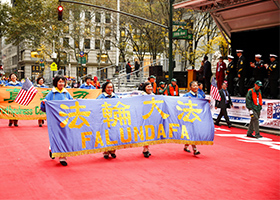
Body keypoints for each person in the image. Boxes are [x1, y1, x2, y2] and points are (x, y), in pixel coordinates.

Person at [40, 75, 73, 166]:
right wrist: (43, 103)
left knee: (65, 137)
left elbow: (72, 105)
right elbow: (43, 108)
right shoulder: (51, 94)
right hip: (54, 120)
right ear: (56, 83)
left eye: (63, 82)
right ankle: (53, 149)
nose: (61, 83)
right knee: (56, 136)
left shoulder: (67, 93)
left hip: (65, 119)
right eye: (59, 82)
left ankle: (63, 157)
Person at [96, 81, 119, 159]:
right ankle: (105, 152)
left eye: (111, 87)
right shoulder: (101, 97)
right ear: (104, 88)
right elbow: (96, 106)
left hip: (114, 119)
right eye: (108, 87)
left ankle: (113, 151)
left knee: (114, 135)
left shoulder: (115, 96)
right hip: (104, 119)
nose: (110, 89)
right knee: (105, 135)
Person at [182, 81, 203, 155]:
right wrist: (186, 100)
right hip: (188, 118)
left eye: (196, 85)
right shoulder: (186, 95)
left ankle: (186, 146)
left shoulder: (200, 96)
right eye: (194, 85)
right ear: (190, 87)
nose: (196, 87)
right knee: (192, 133)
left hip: (196, 118)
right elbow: (181, 105)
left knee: (192, 133)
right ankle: (195, 149)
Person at [140, 82, 154, 158]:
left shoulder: (153, 95)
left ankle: (147, 148)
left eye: (150, 87)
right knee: (145, 133)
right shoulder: (141, 96)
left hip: (151, 117)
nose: (149, 88)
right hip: (143, 117)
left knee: (150, 133)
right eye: (148, 87)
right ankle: (145, 149)